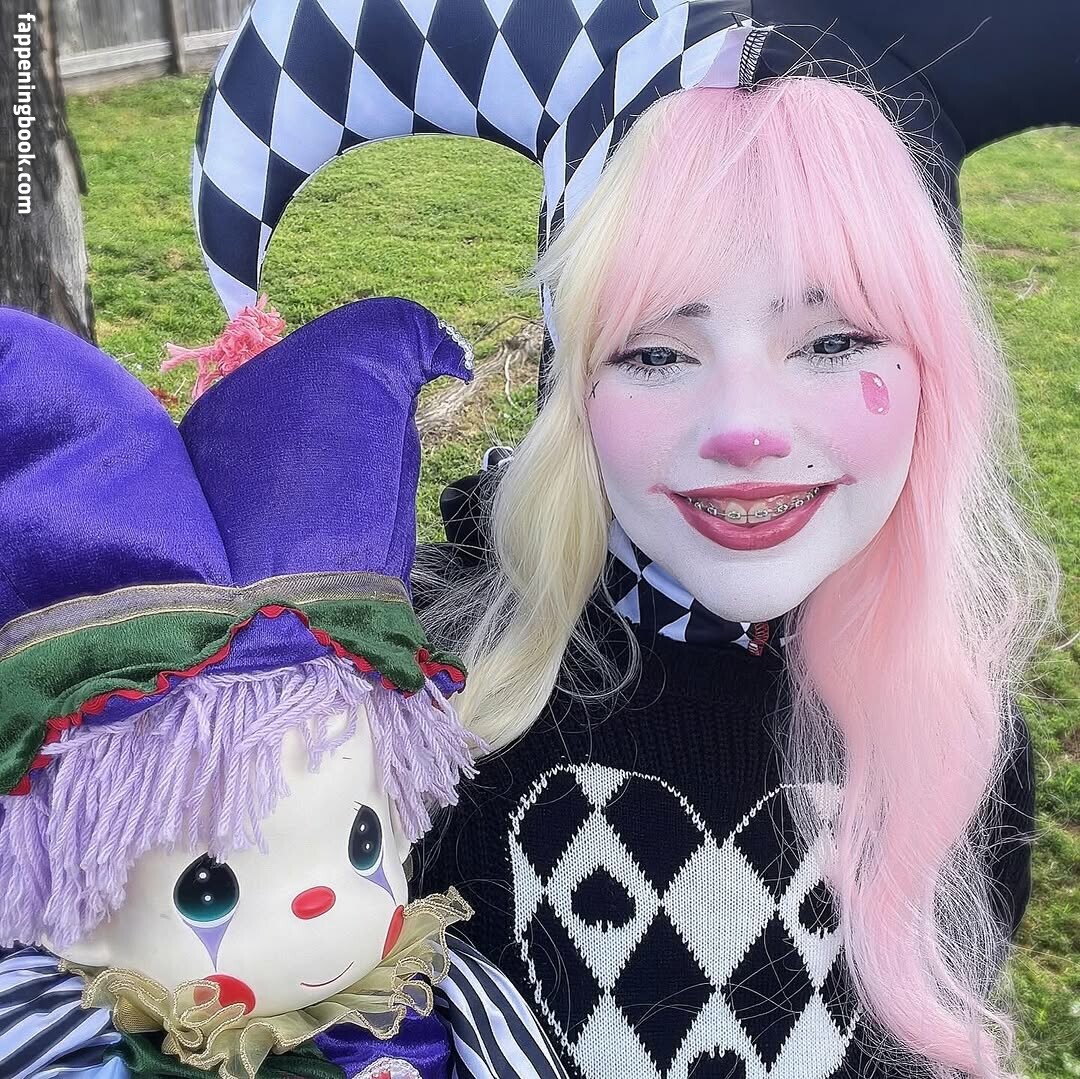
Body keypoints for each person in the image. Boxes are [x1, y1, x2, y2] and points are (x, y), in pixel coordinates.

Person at [184, 5, 1078, 1076]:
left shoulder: (958, 740)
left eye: (835, 339)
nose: (746, 428)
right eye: (654, 352)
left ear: (936, 369)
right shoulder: (420, 708)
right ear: (570, 385)